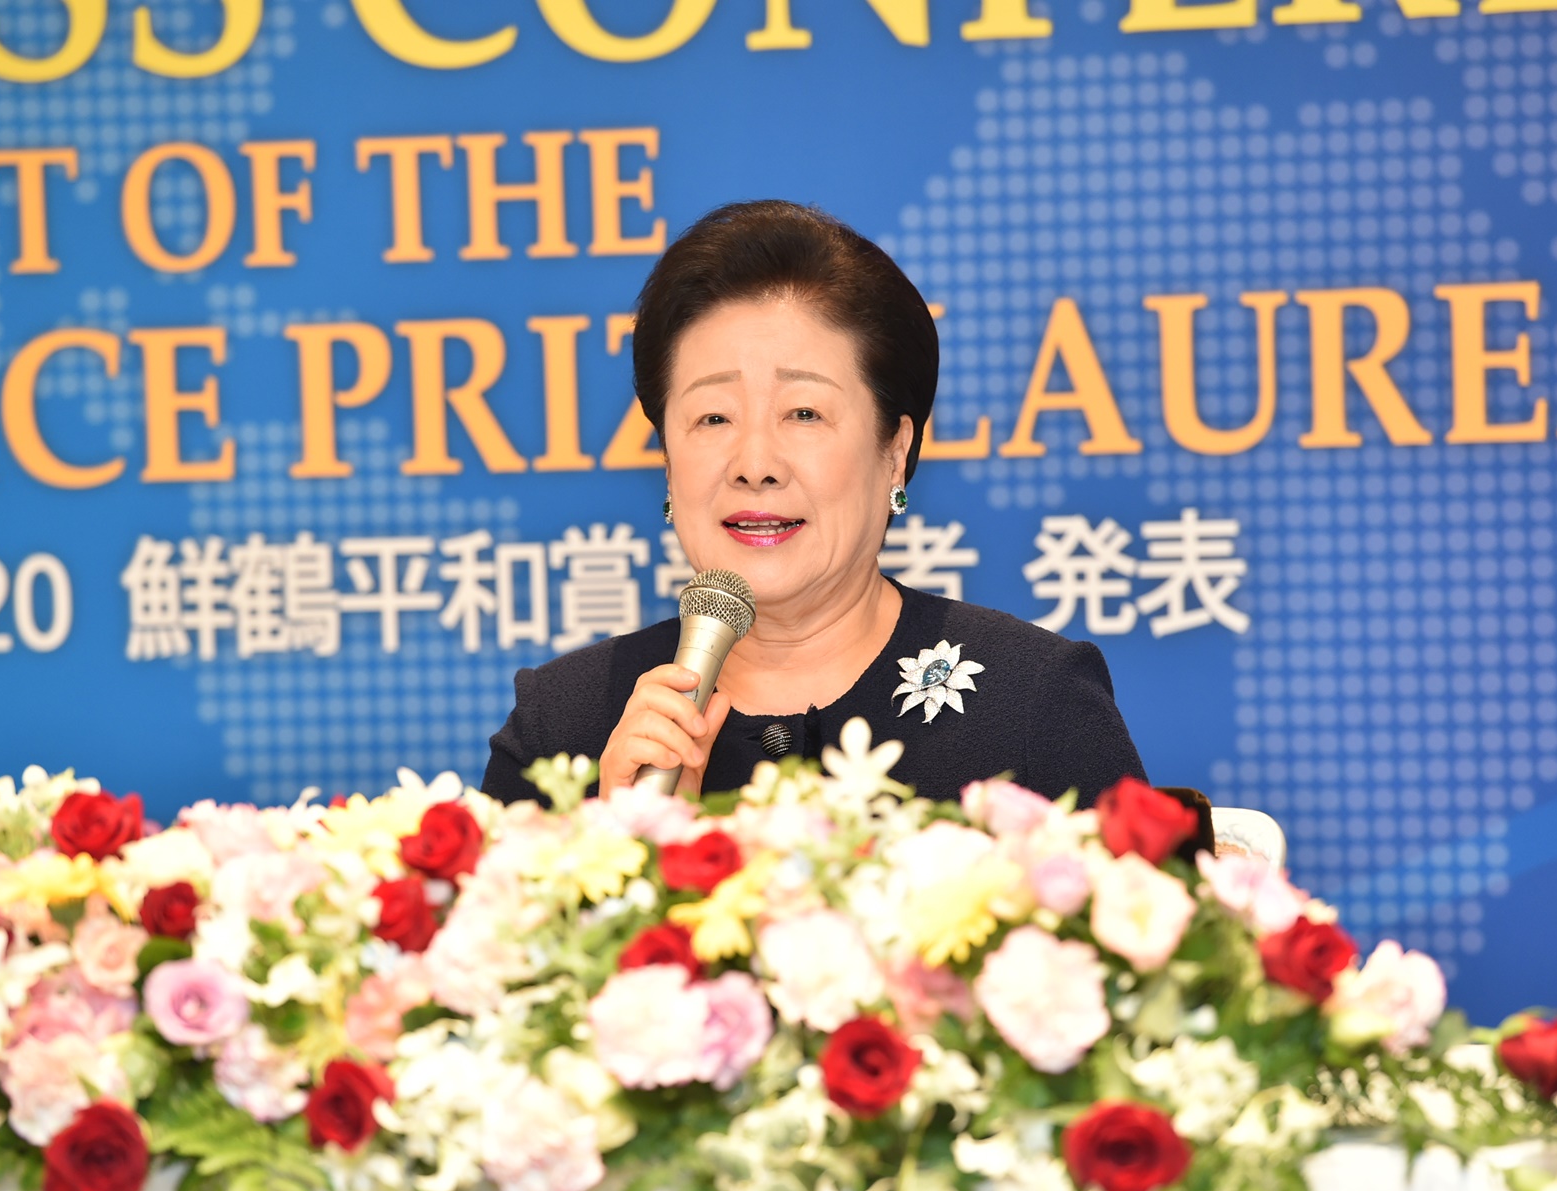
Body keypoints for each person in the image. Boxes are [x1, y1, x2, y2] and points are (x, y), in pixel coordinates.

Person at [481, 201, 1145, 807]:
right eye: (713, 418)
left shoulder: (1032, 702)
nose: (755, 467)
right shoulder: (563, 726)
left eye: (804, 412)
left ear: (894, 449)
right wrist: (611, 841)